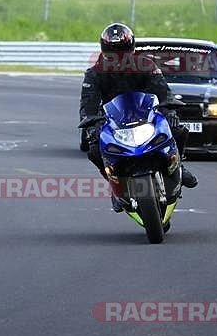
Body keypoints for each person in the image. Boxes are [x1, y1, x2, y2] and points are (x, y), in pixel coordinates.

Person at [79, 23, 198, 212]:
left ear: (131, 49)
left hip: (146, 114)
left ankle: (179, 168)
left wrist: (170, 111)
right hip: (114, 120)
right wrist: (91, 124)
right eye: (112, 52)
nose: (118, 57)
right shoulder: (94, 74)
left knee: (179, 130)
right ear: (104, 50)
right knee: (94, 150)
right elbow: (88, 103)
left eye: (123, 51)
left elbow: (162, 90)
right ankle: (115, 186)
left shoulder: (146, 66)